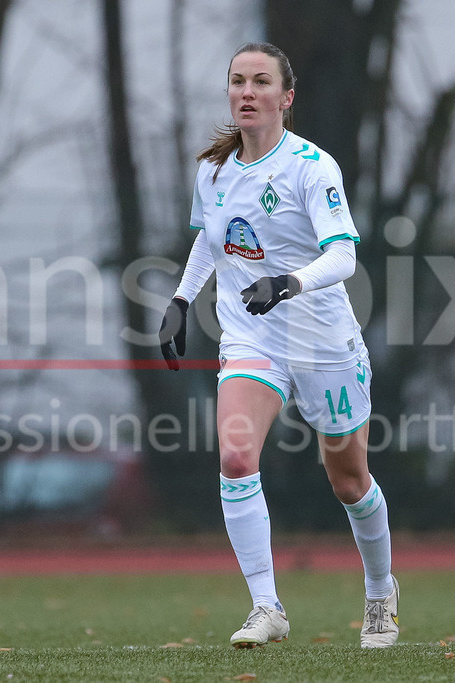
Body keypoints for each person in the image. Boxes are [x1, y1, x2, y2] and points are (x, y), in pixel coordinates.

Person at [158, 42, 398, 649]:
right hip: (251, 336)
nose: (246, 91)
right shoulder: (212, 170)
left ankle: (380, 594)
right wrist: (183, 301)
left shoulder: (312, 167)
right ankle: (267, 606)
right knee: (236, 457)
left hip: (323, 341)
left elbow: (343, 254)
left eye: (260, 81)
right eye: (237, 81)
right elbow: (209, 242)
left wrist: (289, 283)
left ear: (285, 98)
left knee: (349, 481)